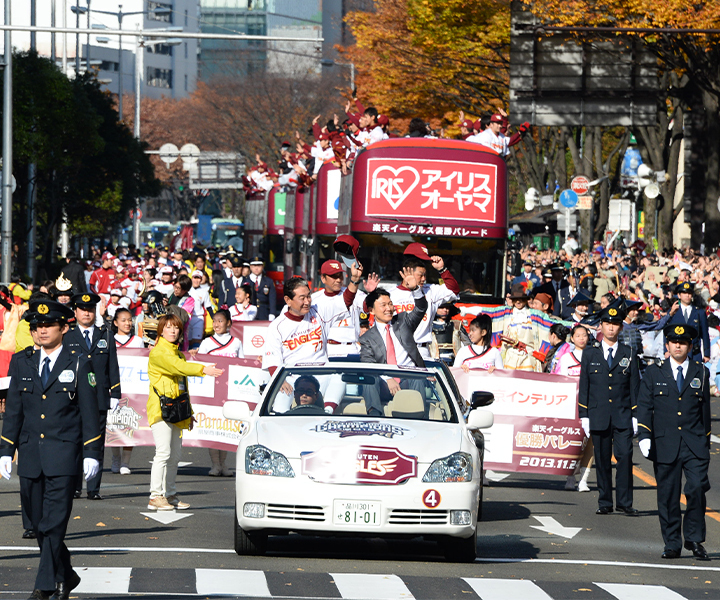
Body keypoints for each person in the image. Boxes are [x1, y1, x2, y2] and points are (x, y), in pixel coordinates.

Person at [0, 299, 102, 600]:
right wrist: (6, 450)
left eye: (47, 325)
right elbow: (14, 410)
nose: (40, 331)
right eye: (35, 326)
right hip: (30, 455)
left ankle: (44, 586)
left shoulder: (80, 360)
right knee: (37, 525)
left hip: (64, 455)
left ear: (63, 327)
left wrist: (92, 453)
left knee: (54, 522)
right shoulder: (22, 361)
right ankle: (66, 574)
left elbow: (89, 411)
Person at [637, 324, 712, 560]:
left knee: (697, 488)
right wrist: (645, 435)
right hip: (665, 443)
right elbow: (645, 406)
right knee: (668, 496)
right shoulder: (653, 372)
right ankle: (672, 543)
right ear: (667, 345)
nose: (678, 345)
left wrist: (706, 441)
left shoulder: (701, 372)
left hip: (694, 443)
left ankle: (694, 538)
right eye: (673, 342)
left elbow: (705, 412)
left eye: (683, 342)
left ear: (690, 346)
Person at [147, 313, 223, 511]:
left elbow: (182, 386)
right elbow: (177, 367)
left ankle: (170, 495)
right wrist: (203, 369)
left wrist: (188, 412)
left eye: (176, 328)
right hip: (161, 410)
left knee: (175, 456)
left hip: (177, 410)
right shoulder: (159, 352)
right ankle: (155, 496)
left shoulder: (178, 352)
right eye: (169, 327)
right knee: (163, 453)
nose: (173, 331)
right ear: (161, 330)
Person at [262, 266, 364, 412]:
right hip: (293, 375)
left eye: (308, 296)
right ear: (288, 300)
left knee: (339, 377)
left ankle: (327, 412)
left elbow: (345, 302)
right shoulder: (277, 326)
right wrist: (281, 381)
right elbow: (272, 361)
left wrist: (354, 280)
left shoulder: (318, 311)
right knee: (280, 403)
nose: (307, 301)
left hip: (321, 371)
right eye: (301, 298)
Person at [578, 305, 640, 515]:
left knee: (625, 457)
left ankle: (624, 502)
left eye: (615, 324)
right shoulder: (589, 353)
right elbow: (584, 385)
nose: (611, 328)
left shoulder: (629, 353)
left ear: (620, 327)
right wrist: (584, 416)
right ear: (601, 326)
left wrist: (635, 415)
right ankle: (605, 502)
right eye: (607, 324)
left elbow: (634, 386)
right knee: (603, 460)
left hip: (623, 415)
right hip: (598, 414)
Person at [66, 292, 121, 501]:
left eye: (90, 309)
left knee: (96, 441)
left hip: (98, 396)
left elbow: (112, 366)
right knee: (74, 441)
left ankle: (93, 488)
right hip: (74, 397)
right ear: (76, 312)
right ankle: (74, 486)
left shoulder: (105, 334)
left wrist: (115, 392)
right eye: (82, 309)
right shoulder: (67, 335)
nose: (86, 313)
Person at [360, 268, 428, 415]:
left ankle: (420, 419)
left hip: (408, 379)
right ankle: (374, 418)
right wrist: (388, 377)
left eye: (390, 304)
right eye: (383, 305)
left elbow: (421, 308)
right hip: (384, 383)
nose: (389, 308)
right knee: (369, 378)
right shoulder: (367, 338)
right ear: (372, 311)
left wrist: (415, 289)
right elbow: (368, 364)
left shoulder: (403, 322)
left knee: (416, 375)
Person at [389, 243, 460, 361]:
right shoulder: (391, 294)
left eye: (425, 275)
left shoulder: (430, 290)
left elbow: (454, 290)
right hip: (397, 348)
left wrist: (442, 269)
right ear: (408, 272)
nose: (424, 279)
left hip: (421, 349)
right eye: (420, 275)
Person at [195, 309, 241, 477]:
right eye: (214, 321)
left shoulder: (236, 342)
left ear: (229, 323)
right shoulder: (207, 342)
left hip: (230, 392)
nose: (216, 324)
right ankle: (215, 464)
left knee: (226, 428)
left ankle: (224, 465)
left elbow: (242, 364)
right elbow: (198, 364)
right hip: (211, 391)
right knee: (212, 427)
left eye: (220, 321)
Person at [556, 324, 595, 492]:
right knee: (572, 442)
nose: (581, 338)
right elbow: (560, 383)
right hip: (571, 407)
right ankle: (570, 476)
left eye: (584, 335)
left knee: (590, 444)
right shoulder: (565, 358)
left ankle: (584, 480)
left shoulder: (595, 356)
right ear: (571, 338)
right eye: (578, 335)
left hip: (592, 406)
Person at [111, 308, 143, 476]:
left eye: (130, 320)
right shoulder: (109, 339)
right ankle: (115, 457)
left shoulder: (138, 341)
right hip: (114, 387)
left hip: (132, 388)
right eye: (123, 320)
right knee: (114, 424)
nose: (128, 323)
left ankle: (126, 461)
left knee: (129, 424)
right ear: (115, 322)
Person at [667, 281, 711, 363]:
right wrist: (666, 350)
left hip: (694, 353)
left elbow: (705, 334)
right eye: (684, 293)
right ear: (679, 295)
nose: (687, 295)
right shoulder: (673, 311)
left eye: (689, 293)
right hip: (677, 353)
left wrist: (707, 353)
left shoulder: (699, 312)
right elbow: (667, 331)